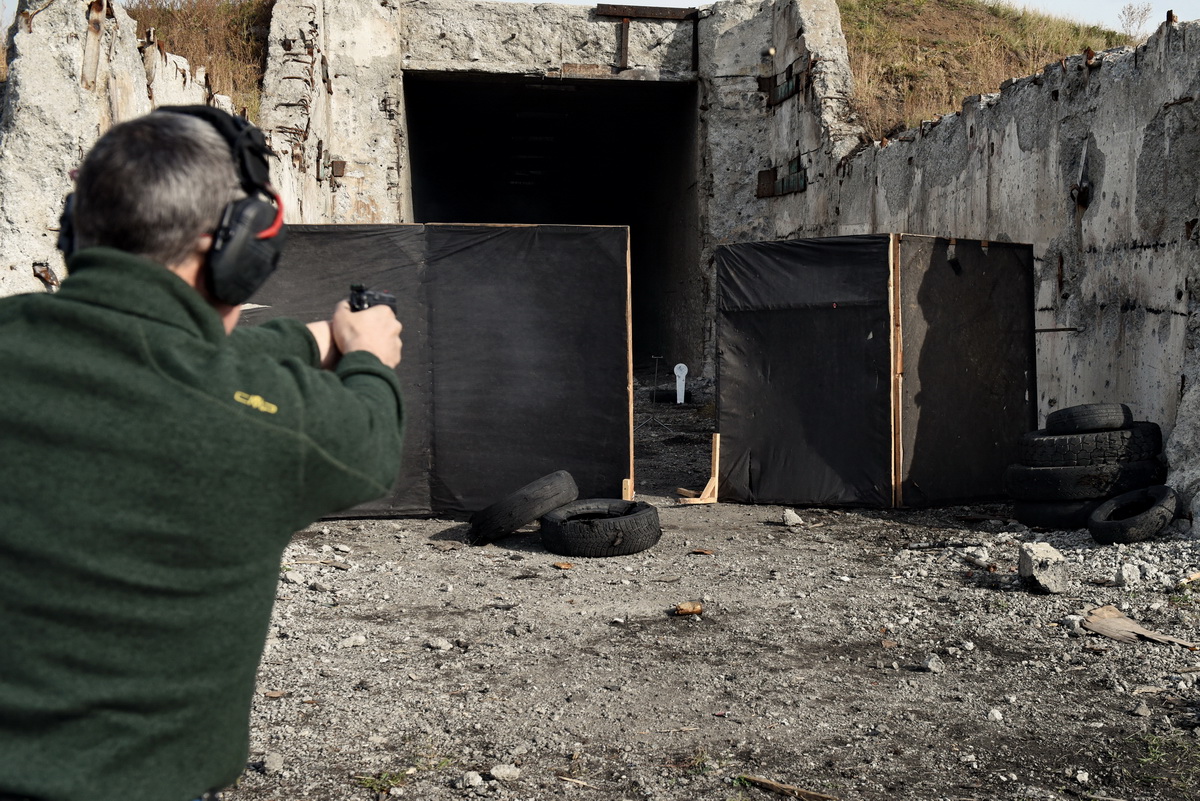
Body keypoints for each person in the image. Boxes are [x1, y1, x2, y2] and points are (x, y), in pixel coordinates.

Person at [0, 108, 404, 801]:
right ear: (237, 251)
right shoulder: (277, 422)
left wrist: (307, 339)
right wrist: (369, 356)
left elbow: (159, 354)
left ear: (77, 229)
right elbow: (373, 437)